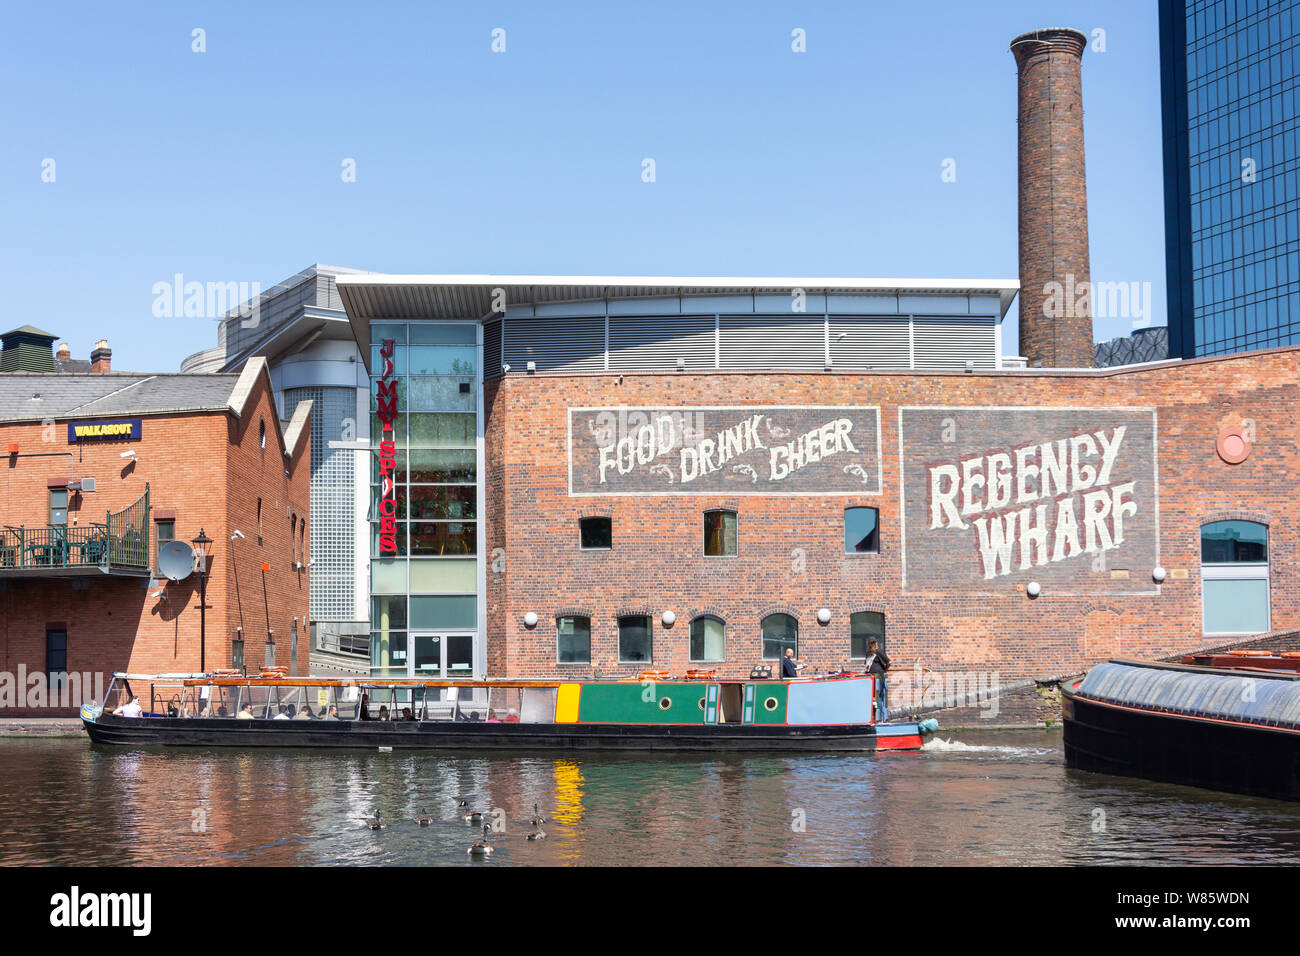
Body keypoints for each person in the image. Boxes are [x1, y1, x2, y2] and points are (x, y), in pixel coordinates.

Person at [862, 638, 891, 720]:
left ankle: (881, 718)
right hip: (870, 678)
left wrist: (885, 670)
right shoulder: (868, 654)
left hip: (878, 677)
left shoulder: (879, 652)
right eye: (870, 643)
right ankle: (873, 716)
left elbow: (888, 662)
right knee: (872, 697)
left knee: (879, 697)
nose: (872, 644)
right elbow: (867, 666)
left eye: (873, 643)